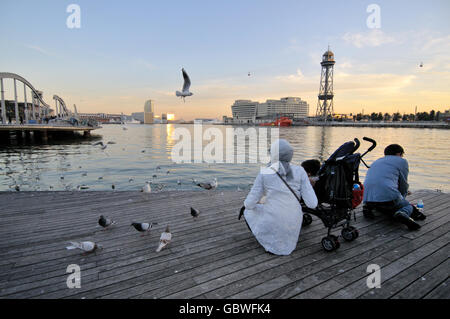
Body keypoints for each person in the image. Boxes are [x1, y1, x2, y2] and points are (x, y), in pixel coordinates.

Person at [241, 139, 318, 255]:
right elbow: (312, 203)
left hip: (273, 218)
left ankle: (268, 238)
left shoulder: (265, 172)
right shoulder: (300, 171)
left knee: (248, 210)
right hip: (294, 220)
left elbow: (249, 203)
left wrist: (252, 205)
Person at [363, 144, 425, 230]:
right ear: (399, 153)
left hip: (367, 198)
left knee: (382, 202)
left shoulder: (376, 161)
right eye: (402, 154)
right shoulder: (402, 161)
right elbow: (403, 184)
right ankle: (402, 213)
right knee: (408, 206)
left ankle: (368, 207)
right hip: (388, 199)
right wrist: (402, 198)